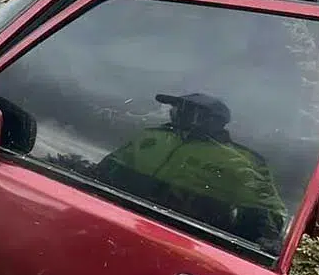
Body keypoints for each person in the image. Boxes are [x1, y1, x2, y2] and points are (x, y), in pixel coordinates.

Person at [96, 93, 286, 251]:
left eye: (187, 109)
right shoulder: (152, 137)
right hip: (124, 222)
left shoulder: (242, 160)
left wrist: (268, 237)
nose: (175, 112)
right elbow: (105, 170)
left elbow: (267, 211)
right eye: (177, 107)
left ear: (212, 120)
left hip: (189, 243)